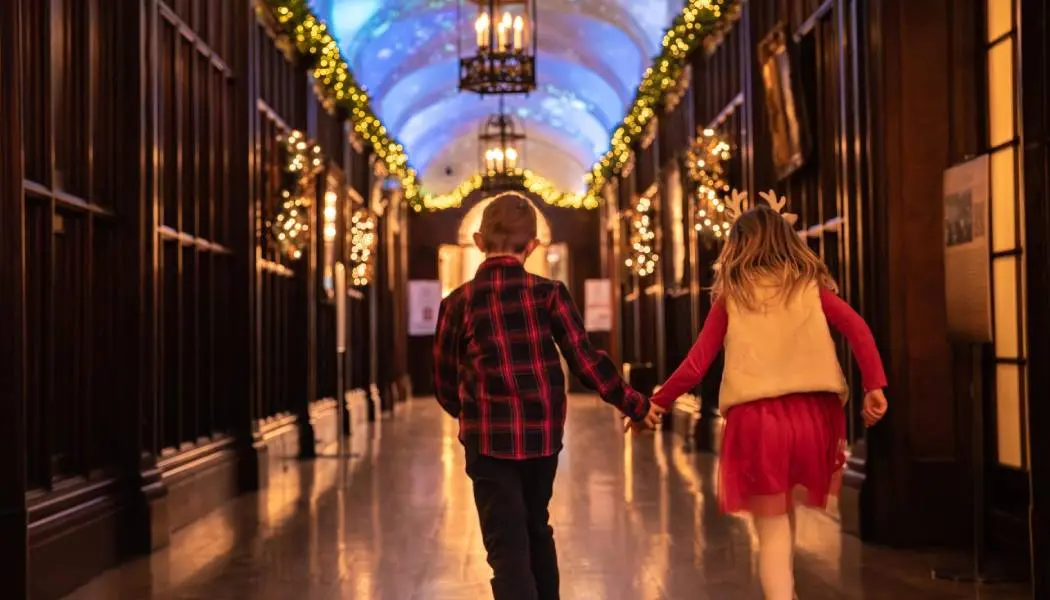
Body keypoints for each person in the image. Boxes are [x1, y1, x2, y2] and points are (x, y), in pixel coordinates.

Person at [642, 191, 889, 600]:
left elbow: (696, 364)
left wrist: (658, 401)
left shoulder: (733, 297)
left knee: (771, 528)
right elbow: (858, 329)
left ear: (737, 247)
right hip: (814, 416)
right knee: (784, 513)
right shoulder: (810, 287)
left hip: (758, 421)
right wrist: (874, 386)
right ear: (787, 240)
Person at [432, 192, 664, 600]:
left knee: (506, 549)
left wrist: (471, 413)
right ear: (533, 245)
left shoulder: (458, 303)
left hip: (488, 443)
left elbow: (444, 380)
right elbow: (586, 361)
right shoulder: (549, 294)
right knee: (537, 528)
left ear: (479, 241)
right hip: (542, 440)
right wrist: (635, 404)